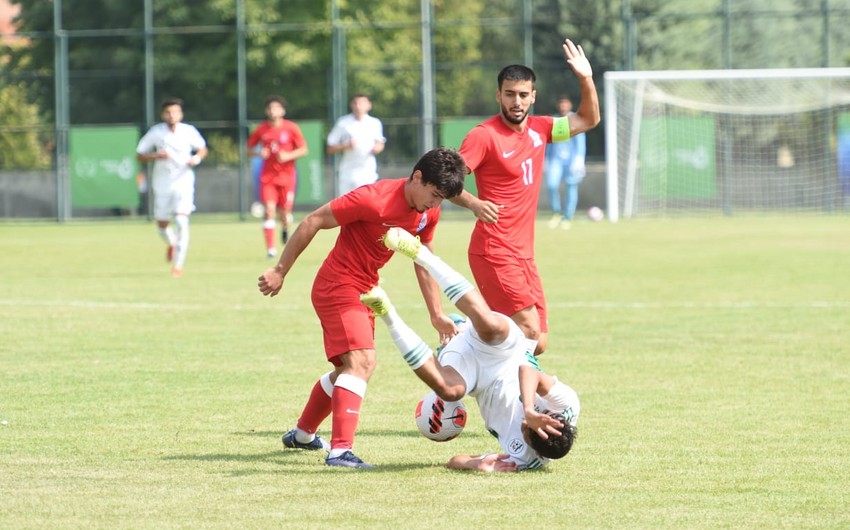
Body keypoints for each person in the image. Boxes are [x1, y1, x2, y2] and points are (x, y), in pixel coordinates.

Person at [257, 147, 467, 469]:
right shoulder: (374, 198)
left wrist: (436, 313)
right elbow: (314, 220)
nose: (435, 204)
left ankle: (302, 434)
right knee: (362, 362)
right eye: (434, 194)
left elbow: (424, 261)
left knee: (347, 370)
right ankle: (341, 452)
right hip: (337, 285)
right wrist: (280, 270)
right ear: (417, 177)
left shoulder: (428, 213)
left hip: (366, 290)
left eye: (442, 200)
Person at [361, 226, 580, 472]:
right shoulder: (568, 405)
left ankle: (386, 312)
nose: (523, 427)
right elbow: (529, 371)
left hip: (477, 378)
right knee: (491, 326)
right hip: (507, 352)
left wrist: (478, 465)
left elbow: (455, 460)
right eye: (529, 427)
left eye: (527, 434)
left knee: (451, 391)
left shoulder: (525, 460)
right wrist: (529, 409)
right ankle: (421, 254)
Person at [451, 38, 600, 357]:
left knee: (538, 341)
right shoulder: (483, 136)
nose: (516, 102)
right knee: (529, 330)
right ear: (498, 96)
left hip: (524, 254)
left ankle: (463, 332)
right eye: (509, 94)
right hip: (494, 250)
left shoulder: (541, 130)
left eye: (522, 95)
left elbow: (588, 120)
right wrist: (474, 203)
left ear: (533, 97)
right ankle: (521, 406)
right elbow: (446, 180)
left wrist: (585, 78)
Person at [136, 97, 208, 278]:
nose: (172, 115)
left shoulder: (188, 131)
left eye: (175, 112)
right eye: (168, 112)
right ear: (163, 114)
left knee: (182, 221)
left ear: (181, 114)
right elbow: (139, 155)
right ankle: (172, 243)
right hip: (162, 184)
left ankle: (178, 266)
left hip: (183, 182)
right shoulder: (156, 132)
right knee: (162, 226)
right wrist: (155, 156)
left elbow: (203, 148)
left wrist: (196, 159)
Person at [247, 95, 309, 258]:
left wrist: (288, 156)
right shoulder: (261, 129)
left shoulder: (291, 128)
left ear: (283, 111)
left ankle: (285, 227)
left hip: (287, 178)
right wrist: (259, 153)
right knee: (269, 210)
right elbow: (248, 150)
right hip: (268, 177)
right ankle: (271, 249)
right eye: (270, 108)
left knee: (284, 214)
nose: (273, 111)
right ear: (266, 111)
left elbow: (303, 149)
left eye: (276, 108)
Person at [326, 94, 386, 196]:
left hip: (368, 171)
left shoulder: (374, 123)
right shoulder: (343, 123)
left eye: (362, 103)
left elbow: (380, 143)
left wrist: (377, 148)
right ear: (351, 105)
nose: (358, 106)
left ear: (369, 105)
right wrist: (345, 145)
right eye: (356, 103)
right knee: (345, 204)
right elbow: (330, 148)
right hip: (347, 171)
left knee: (367, 202)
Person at [545, 95, 587, 230]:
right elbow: (550, 140)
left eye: (565, 104)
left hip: (572, 161)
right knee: (551, 184)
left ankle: (567, 217)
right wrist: (546, 158)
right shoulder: (555, 120)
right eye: (561, 104)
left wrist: (579, 159)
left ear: (569, 105)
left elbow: (580, 140)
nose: (563, 107)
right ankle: (556, 213)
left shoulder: (574, 119)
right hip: (556, 160)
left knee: (571, 186)